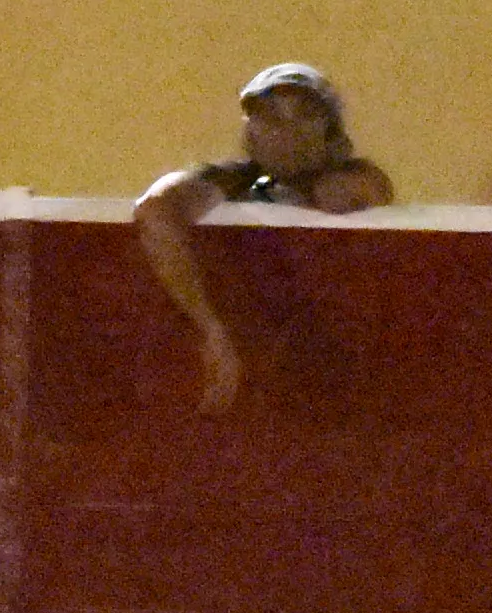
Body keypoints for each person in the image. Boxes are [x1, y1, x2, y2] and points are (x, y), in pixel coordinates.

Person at [130, 61, 393, 412]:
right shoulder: (234, 180)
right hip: (253, 374)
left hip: (338, 379)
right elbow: (156, 208)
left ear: (331, 131)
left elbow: (349, 193)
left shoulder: (359, 178)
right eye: (270, 116)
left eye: (305, 115)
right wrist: (210, 327)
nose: (288, 130)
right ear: (250, 132)